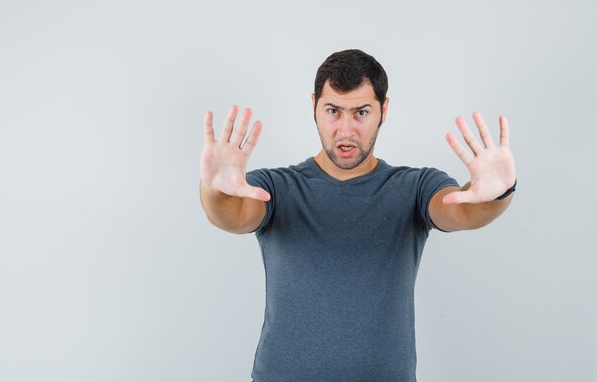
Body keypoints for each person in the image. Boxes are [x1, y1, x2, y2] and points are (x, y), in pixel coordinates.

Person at [199, 49, 516, 382]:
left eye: (361, 112)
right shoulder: (276, 188)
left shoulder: (414, 186)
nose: (346, 130)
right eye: (333, 111)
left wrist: (497, 194)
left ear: (384, 110)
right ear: (314, 107)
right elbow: (232, 214)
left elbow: (461, 210)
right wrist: (214, 190)